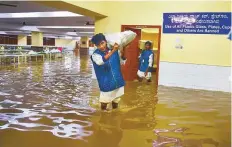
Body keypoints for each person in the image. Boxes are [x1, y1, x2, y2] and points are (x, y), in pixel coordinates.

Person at [90, 33, 126, 110]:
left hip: (117, 80)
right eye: (98, 45)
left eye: (102, 43)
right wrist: (113, 51)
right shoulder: (95, 55)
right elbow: (100, 61)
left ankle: (115, 114)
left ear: (106, 41)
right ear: (96, 46)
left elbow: (122, 62)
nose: (101, 46)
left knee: (116, 101)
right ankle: (103, 116)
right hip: (106, 82)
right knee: (104, 102)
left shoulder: (114, 50)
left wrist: (123, 52)